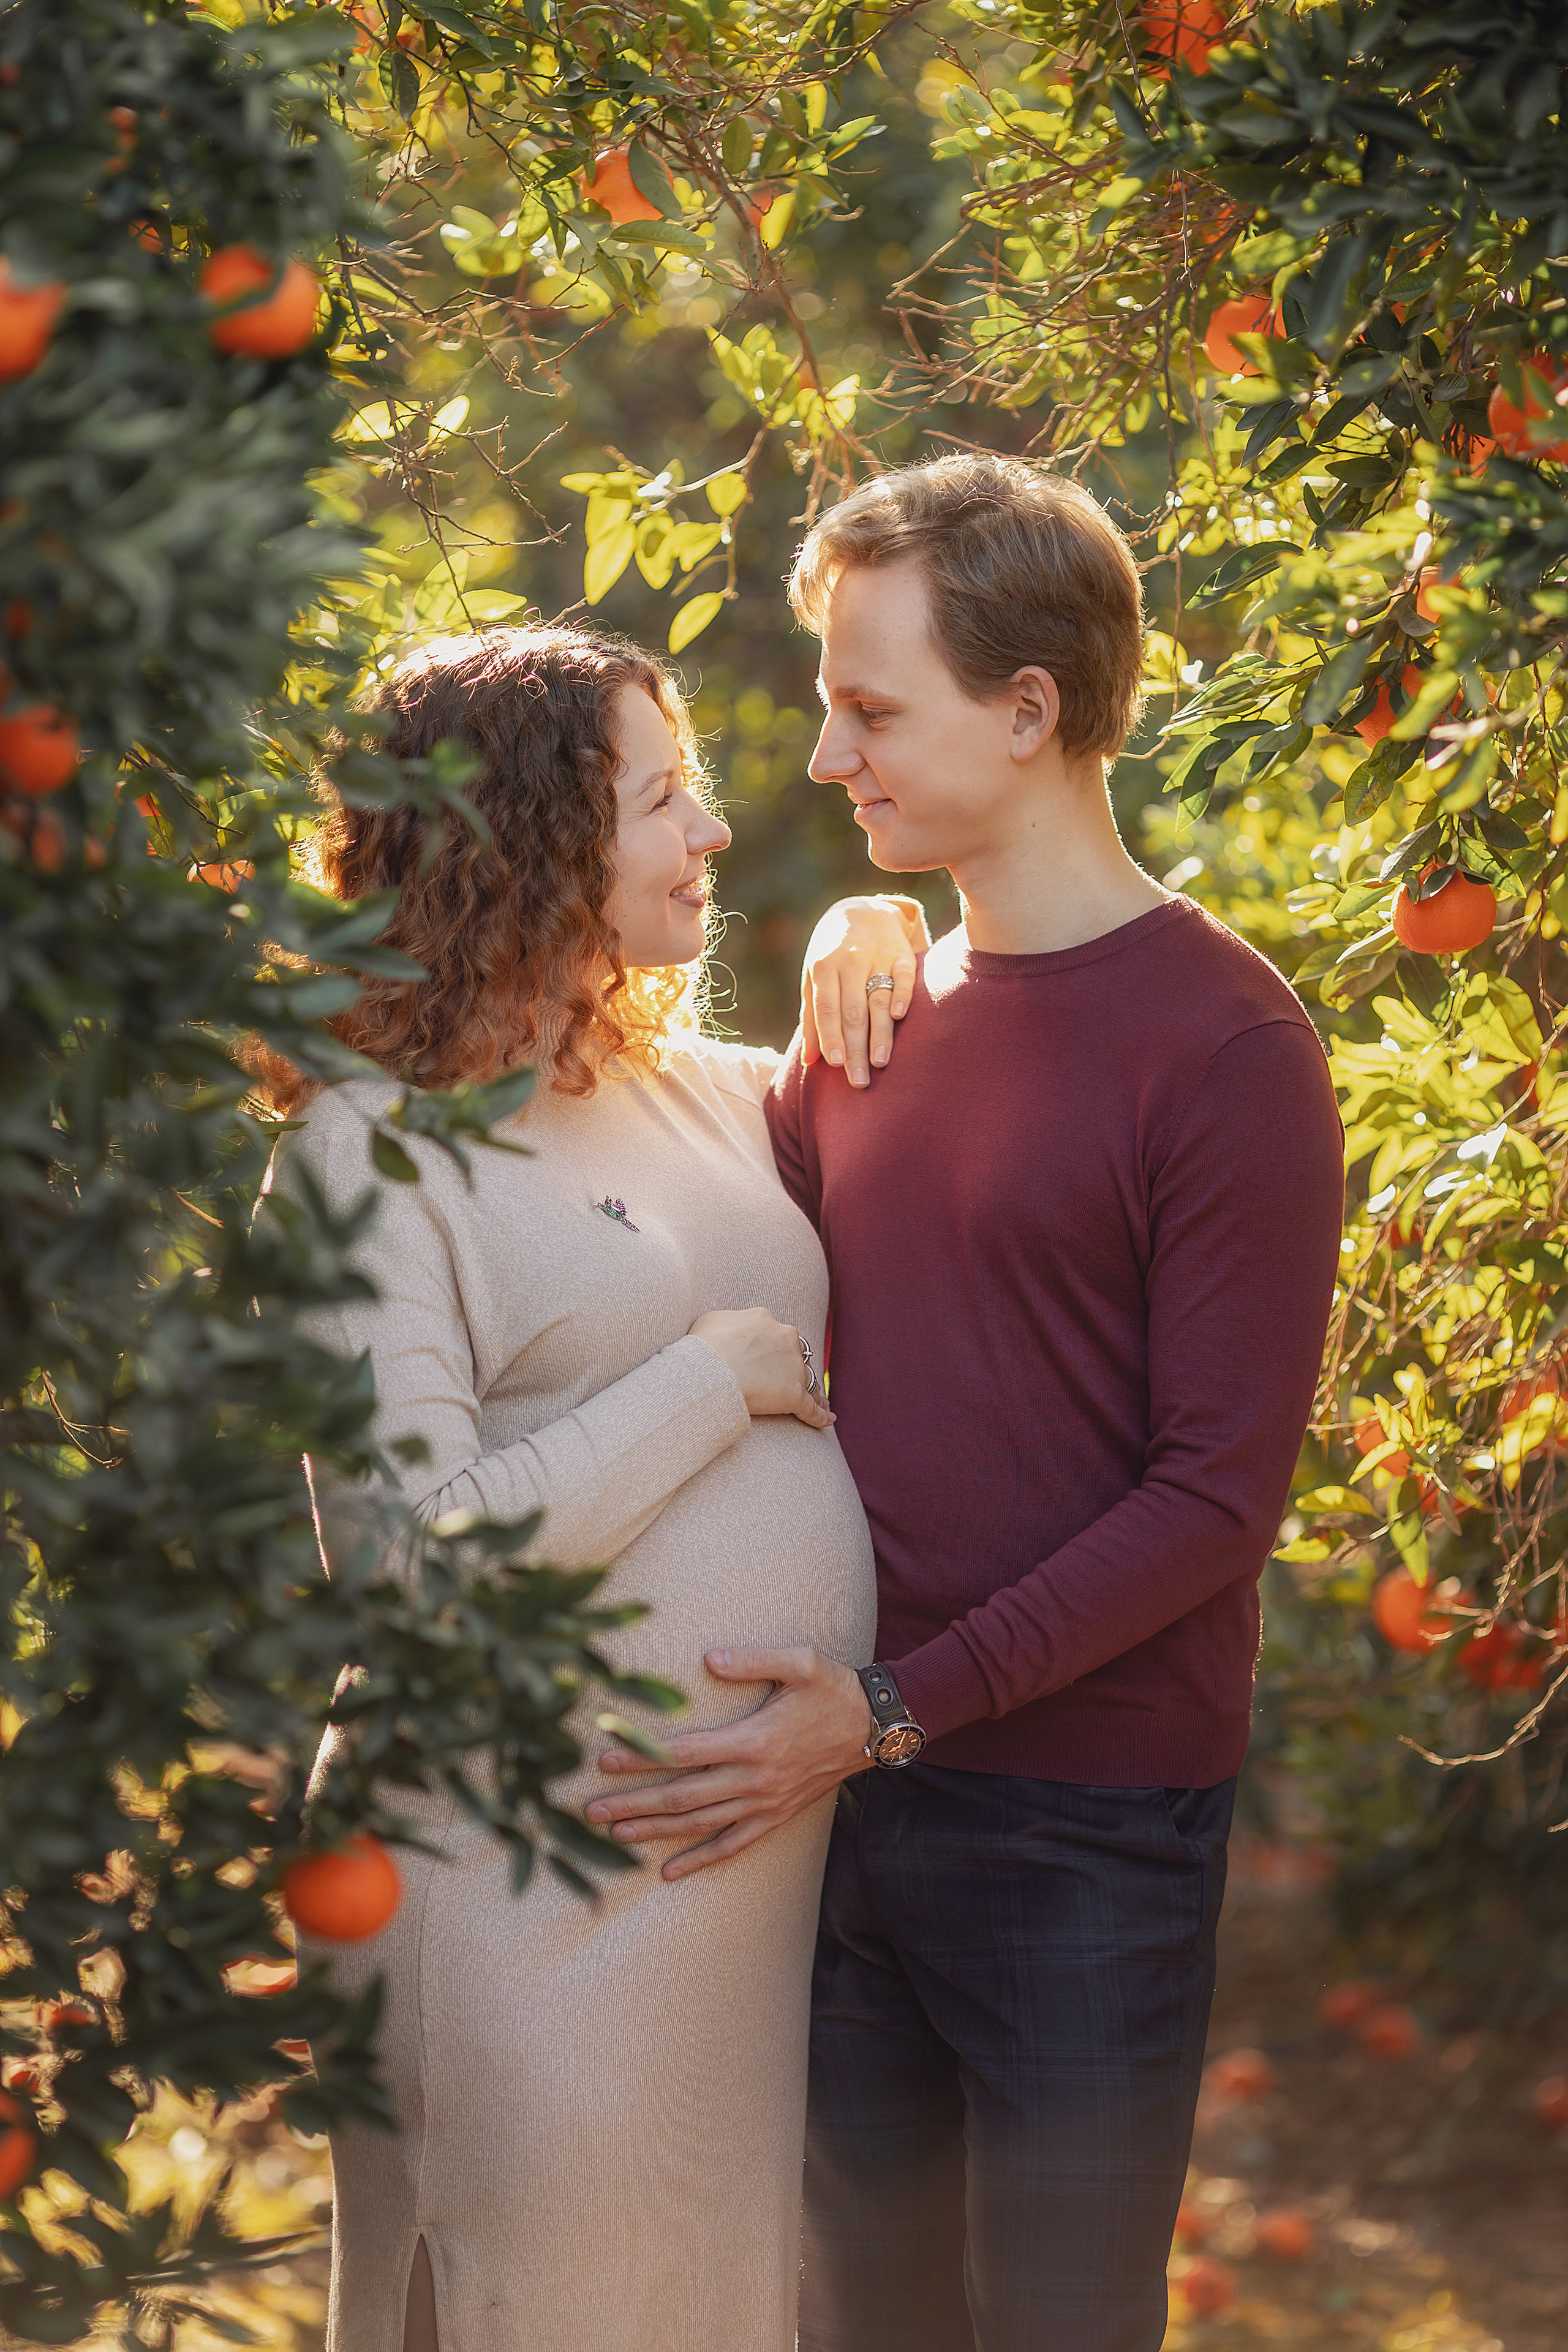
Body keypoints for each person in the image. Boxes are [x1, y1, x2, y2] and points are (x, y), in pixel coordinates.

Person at [583, 454, 1347, 2352]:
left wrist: (902, 1709)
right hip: (823, 1816)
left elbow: (1213, 1499)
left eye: (871, 708)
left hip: (1080, 1834)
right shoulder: (865, 1019)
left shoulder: (1232, 1049)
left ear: (1030, 709)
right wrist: (861, 931)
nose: (830, 759)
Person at [259, 624, 929, 2352]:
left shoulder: (708, 1095)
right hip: (507, 1881)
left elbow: (912, 1081)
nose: (712, 832)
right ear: (531, 840)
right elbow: (410, 1564)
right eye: (664, 797)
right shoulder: (367, 1140)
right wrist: (711, 1381)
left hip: (731, 1892)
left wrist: (884, 926)